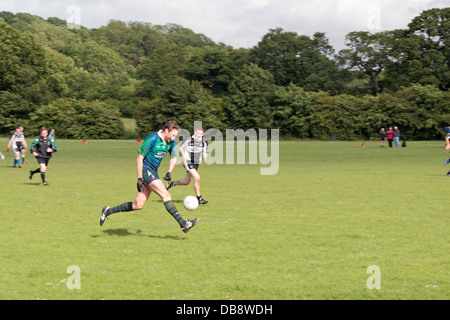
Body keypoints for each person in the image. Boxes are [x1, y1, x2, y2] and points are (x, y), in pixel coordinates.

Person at [99, 121, 199, 233]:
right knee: (166, 195)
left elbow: (174, 157)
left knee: (138, 205)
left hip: (153, 172)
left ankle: (107, 211)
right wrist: (140, 178)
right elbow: (139, 158)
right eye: (173, 135)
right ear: (166, 130)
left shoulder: (170, 142)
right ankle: (183, 224)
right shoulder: (152, 139)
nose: (174, 138)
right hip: (146, 171)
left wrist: (169, 172)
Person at [166, 127, 209, 204]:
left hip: (196, 163)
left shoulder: (204, 142)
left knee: (186, 182)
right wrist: (184, 157)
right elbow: (180, 148)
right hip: (188, 162)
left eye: (200, 133)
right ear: (195, 132)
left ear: (203, 134)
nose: (199, 135)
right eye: (197, 133)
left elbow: (205, 151)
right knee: (197, 177)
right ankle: (199, 198)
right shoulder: (188, 140)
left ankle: (172, 183)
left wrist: (205, 158)